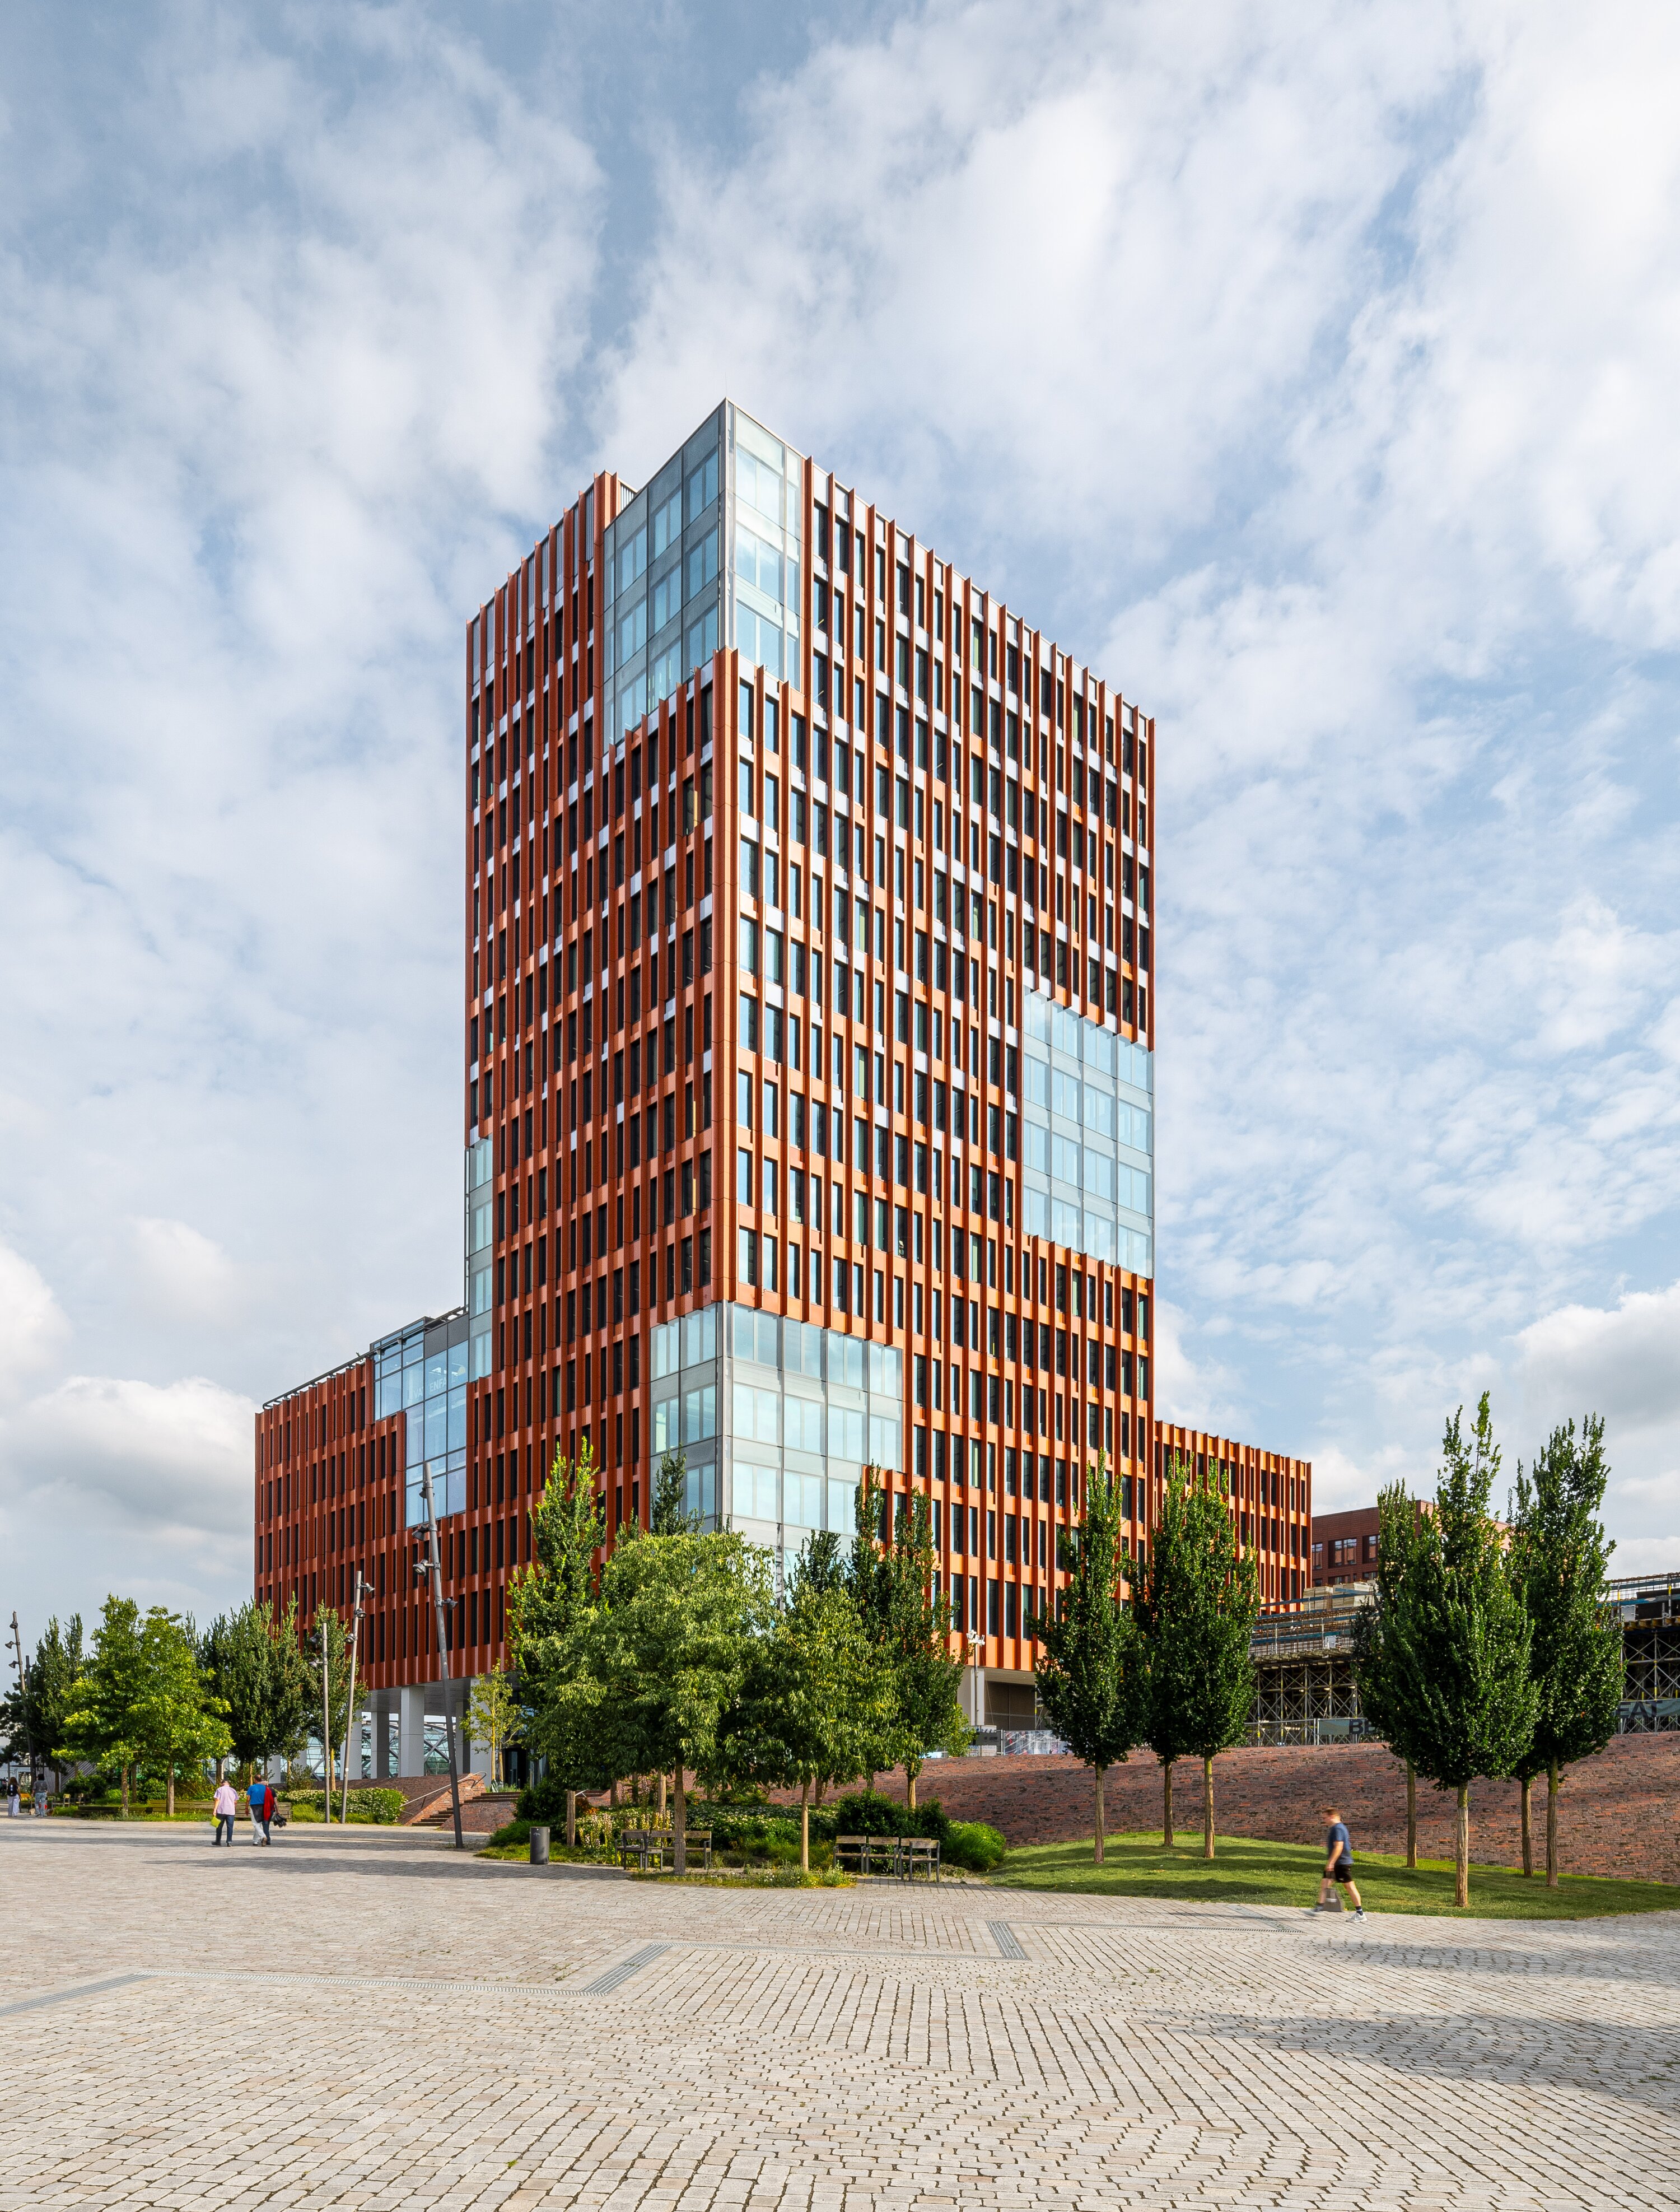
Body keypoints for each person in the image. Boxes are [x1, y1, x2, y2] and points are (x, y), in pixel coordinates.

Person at [1313, 1804, 1364, 1918]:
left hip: (1342, 1863)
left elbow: (1339, 1847)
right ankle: (1318, 1908)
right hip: (1336, 1864)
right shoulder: (1335, 1828)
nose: (1324, 1820)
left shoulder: (1338, 1829)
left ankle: (1360, 1913)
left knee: (1349, 1886)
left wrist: (1331, 1862)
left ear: (1332, 1816)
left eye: (1325, 1818)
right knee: (1325, 1883)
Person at [248, 1773, 277, 1845]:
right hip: (264, 1807)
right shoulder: (266, 1788)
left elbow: (248, 1799)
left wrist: (246, 1807)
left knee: (256, 1824)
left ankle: (263, 1837)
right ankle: (255, 1841)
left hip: (254, 1807)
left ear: (255, 1780)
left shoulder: (252, 1787)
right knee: (259, 1824)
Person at [212, 1777, 237, 1847]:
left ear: (222, 1784)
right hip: (231, 1811)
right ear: (229, 1784)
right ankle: (229, 1842)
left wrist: (215, 1810)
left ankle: (218, 1841)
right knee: (230, 1827)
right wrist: (234, 1808)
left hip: (221, 1811)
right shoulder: (233, 1791)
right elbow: (235, 1802)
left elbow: (217, 1800)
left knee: (219, 1827)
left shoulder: (219, 1790)